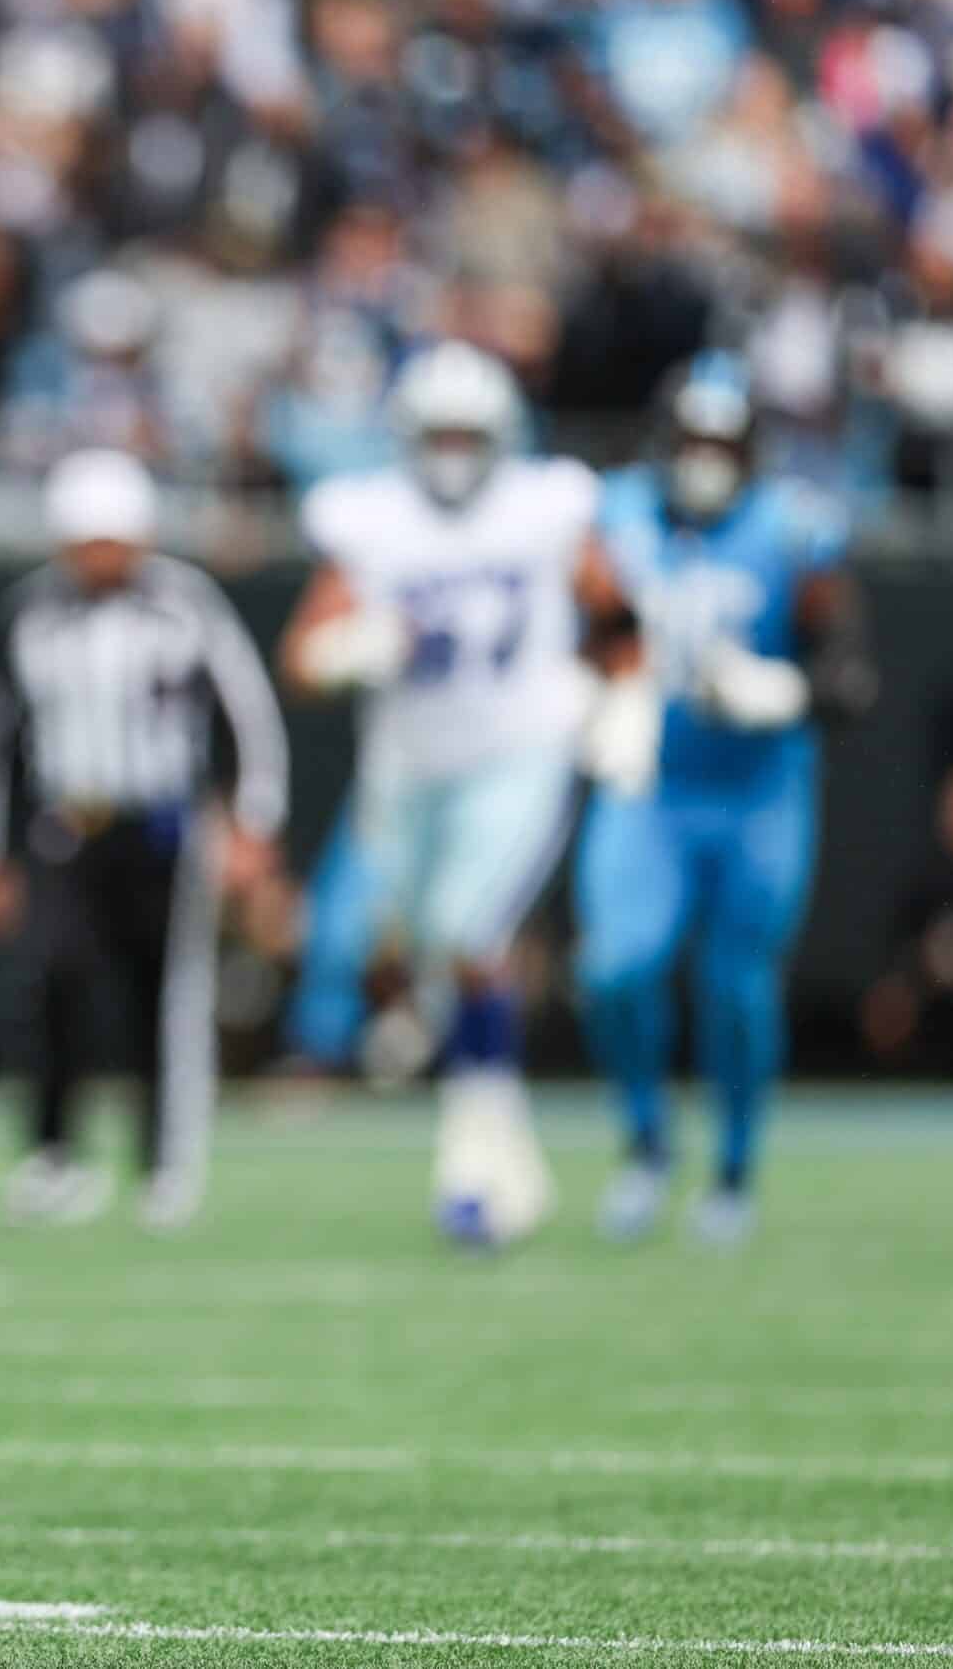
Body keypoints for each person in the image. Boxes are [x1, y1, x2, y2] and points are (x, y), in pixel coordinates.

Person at [278, 341, 632, 1248]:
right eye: (437, 434)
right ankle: (507, 1152)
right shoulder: (371, 517)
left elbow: (616, 611)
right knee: (418, 952)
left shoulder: (546, 506)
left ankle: (473, 1166)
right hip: (408, 767)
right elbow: (302, 658)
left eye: (467, 435)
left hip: (519, 751)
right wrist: (347, 650)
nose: (451, 452)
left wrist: (626, 698)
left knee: (474, 938)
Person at [577, 353, 872, 1246]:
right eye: (691, 439)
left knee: (737, 988)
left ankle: (735, 1170)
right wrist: (610, 689)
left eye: (721, 443)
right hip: (652, 788)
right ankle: (647, 1144)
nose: (703, 459)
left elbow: (851, 675)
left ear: (750, 451)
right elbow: (593, 624)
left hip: (757, 794)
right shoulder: (616, 514)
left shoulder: (793, 528)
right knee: (616, 969)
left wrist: (783, 690)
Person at [0, 450, 288, 1232]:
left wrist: (254, 822)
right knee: (50, 984)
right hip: (64, 827)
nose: (101, 557)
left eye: (113, 541)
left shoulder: (185, 604)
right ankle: (54, 1155)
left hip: (161, 827)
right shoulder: (32, 609)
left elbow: (246, 714)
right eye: (87, 542)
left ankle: (166, 1162)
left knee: (164, 998)